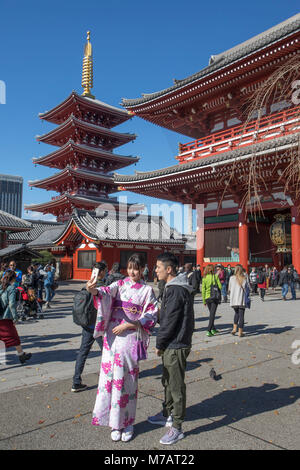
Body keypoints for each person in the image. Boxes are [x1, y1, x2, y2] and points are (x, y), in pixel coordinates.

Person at [87, 253, 158, 443]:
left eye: (137, 268)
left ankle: (128, 422)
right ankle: (114, 423)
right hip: (112, 337)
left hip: (129, 336)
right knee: (109, 380)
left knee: (127, 381)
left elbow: (152, 314)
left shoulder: (146, 290)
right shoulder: (119, 285)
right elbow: (104, 294)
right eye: (130, 267)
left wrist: (130, 325)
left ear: (143, 268)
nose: (132, 272)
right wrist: (93, 291)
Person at [148, 252, 194, 445]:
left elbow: (170, 321)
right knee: (167, 381)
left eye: (158, 267)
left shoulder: (175, 289)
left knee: (175, 386)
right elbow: (166, 315)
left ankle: (177, 427)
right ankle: (167, 412)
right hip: (173, 342)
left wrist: (159, 343)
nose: (155, 270)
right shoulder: (172, 287)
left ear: (169, 269)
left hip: (176, 343)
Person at [71, 261, 107, 392]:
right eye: (105, 270)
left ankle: (76, 381)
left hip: (87, 325)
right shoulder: (103, 286)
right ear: (101, 272)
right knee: (107, 353)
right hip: (99, 326)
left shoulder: (86, 285)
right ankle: (108, 378)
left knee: (82, 353)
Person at [0, 270, 32, 364]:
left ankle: (21, 355)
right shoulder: (11, 288)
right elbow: (11, 304)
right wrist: (15, 317)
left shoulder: (0, 287)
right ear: (13, 278)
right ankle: (21, 355)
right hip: (5, 317)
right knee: (13, 336)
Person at [228, 264, 249, 337]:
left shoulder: (231, 278)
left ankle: (234, 329)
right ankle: (240, 332)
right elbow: (247, 289)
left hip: (234, 300)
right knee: (241, 316)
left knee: (236, 314)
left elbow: (229, 289)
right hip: (241, 299)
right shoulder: (244, 278)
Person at [202, 264, 222, 337]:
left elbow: (203, 290)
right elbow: (220, 286)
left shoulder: (204, 278)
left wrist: (204, 300)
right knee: (212, 314)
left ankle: (213, 328)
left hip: (207, 298)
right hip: (214, 298)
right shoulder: (215, 276)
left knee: (211, 313)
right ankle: (209, 330)